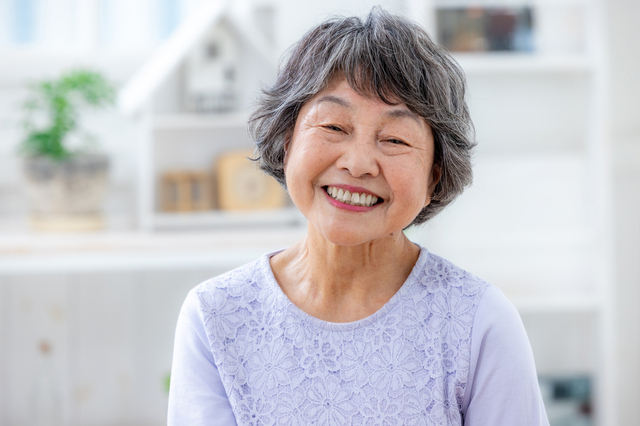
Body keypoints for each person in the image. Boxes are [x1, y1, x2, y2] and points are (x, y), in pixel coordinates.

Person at [168, 8, 549, 426]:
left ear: (433, 176)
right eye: (333, 126)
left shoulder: (480, 321)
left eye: (395, 138)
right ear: (286, 139)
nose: (359, 162)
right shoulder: (215, 316)